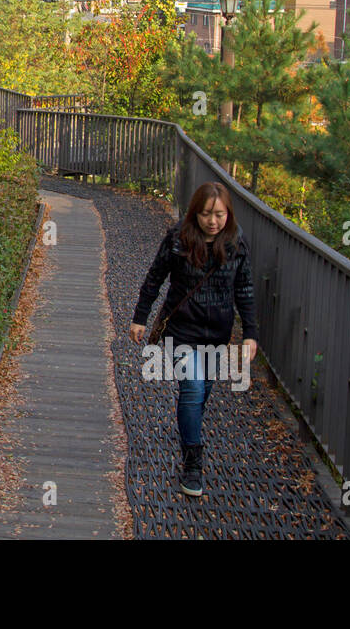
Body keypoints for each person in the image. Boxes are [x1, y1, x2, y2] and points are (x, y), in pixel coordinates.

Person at [128, 181, 258, 497]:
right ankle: (192, 464)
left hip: (217, 334)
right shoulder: (178, 240)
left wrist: (251, 335)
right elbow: (154, 278)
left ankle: (189, 431)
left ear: (228, 214)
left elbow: (245, 290)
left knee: (200, 395)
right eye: (205, 214)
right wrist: (139, 318)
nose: (212, 221)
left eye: (219, 214)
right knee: (193, 387)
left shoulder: (236, 244)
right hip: (181, 330)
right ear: (194, 213)